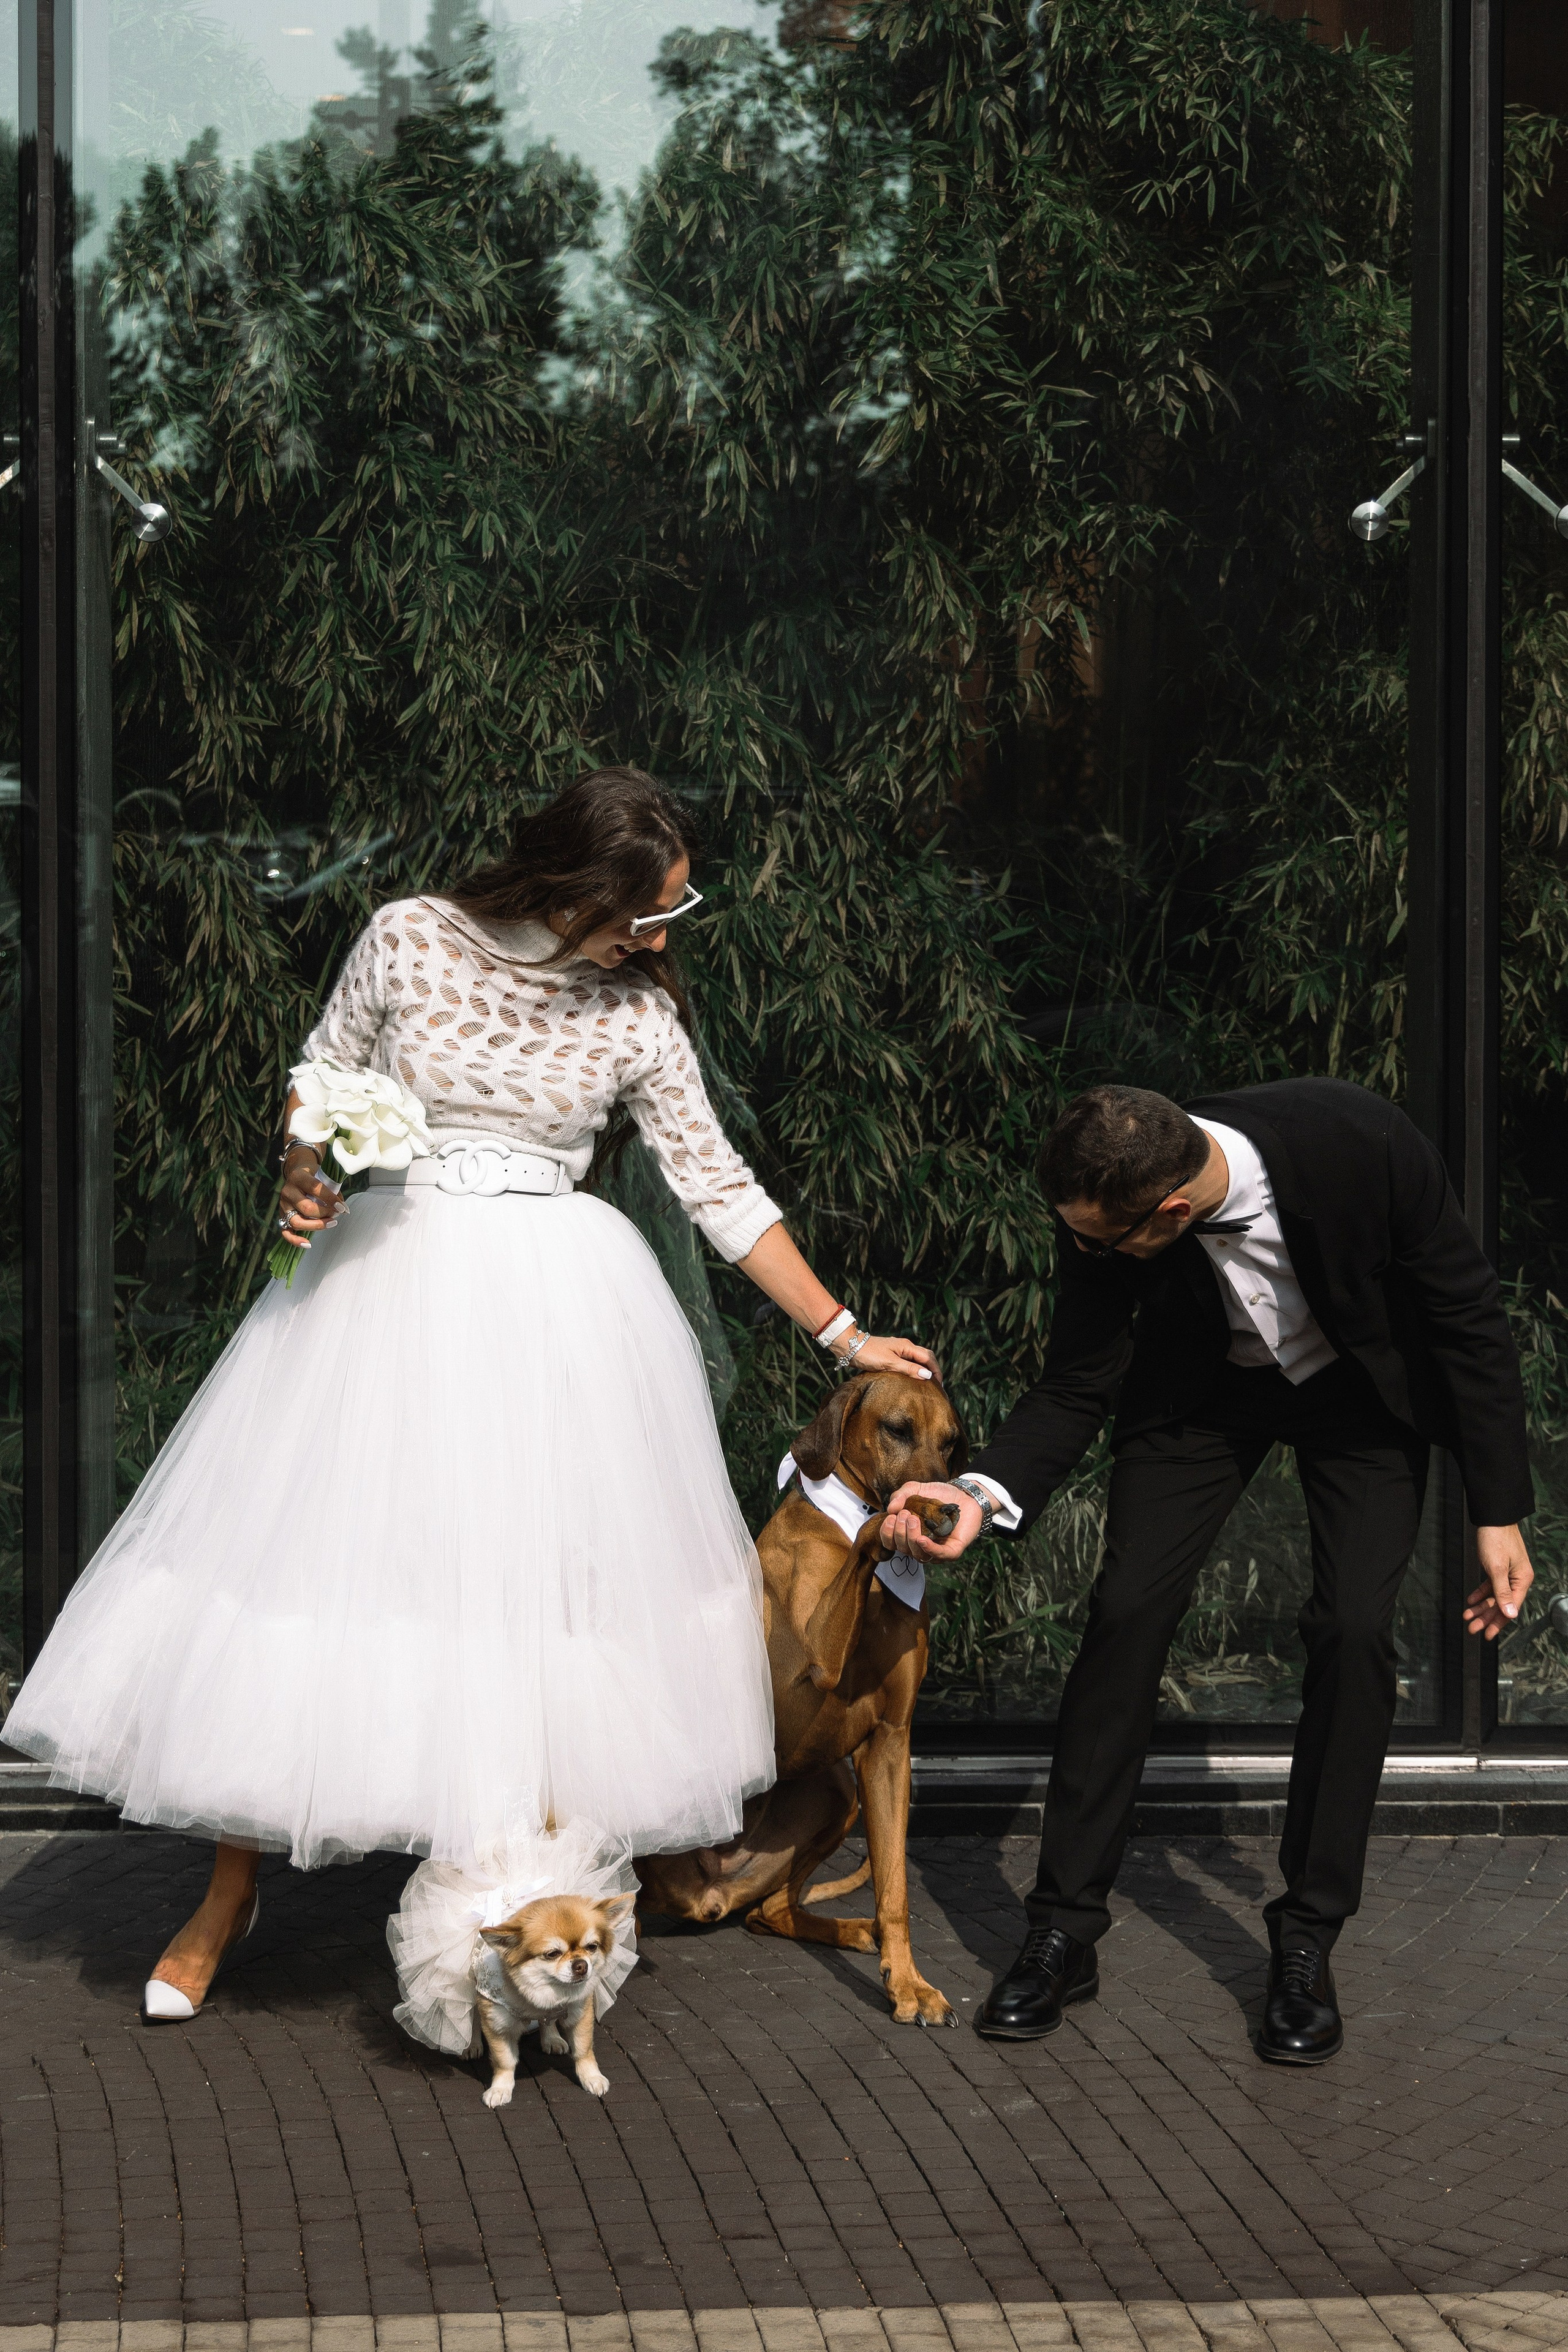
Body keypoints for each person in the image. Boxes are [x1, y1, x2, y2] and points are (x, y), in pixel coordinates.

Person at [7, 766, 937, 2023]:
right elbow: (318, 1077)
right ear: (574, 886)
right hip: (382, 1290)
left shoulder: (635, 1015)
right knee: (307, 1568)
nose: (663, 934)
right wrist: (302, 1169)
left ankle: (503, 1907)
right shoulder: (407, 936)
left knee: (534, 1600)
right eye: (650, 909)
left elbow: (717, 1188)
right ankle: (229, 1894)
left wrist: (844, 1334)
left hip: (557, 1315)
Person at [884, 1079, 1534, 2065]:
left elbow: (1468, 1318)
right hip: (1200, 1399)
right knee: (1127, 1611)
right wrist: (980, 1493)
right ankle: (1064, 1929)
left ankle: (1307, 1942)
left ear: (1174, 1213)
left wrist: (1499, 1510)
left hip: (1364, 1400)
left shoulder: (1364, 1146)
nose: (1086, 1253)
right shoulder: (1104, 1198)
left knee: (1355, 1630)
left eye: (1105, 1243)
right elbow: (1077, 1378)